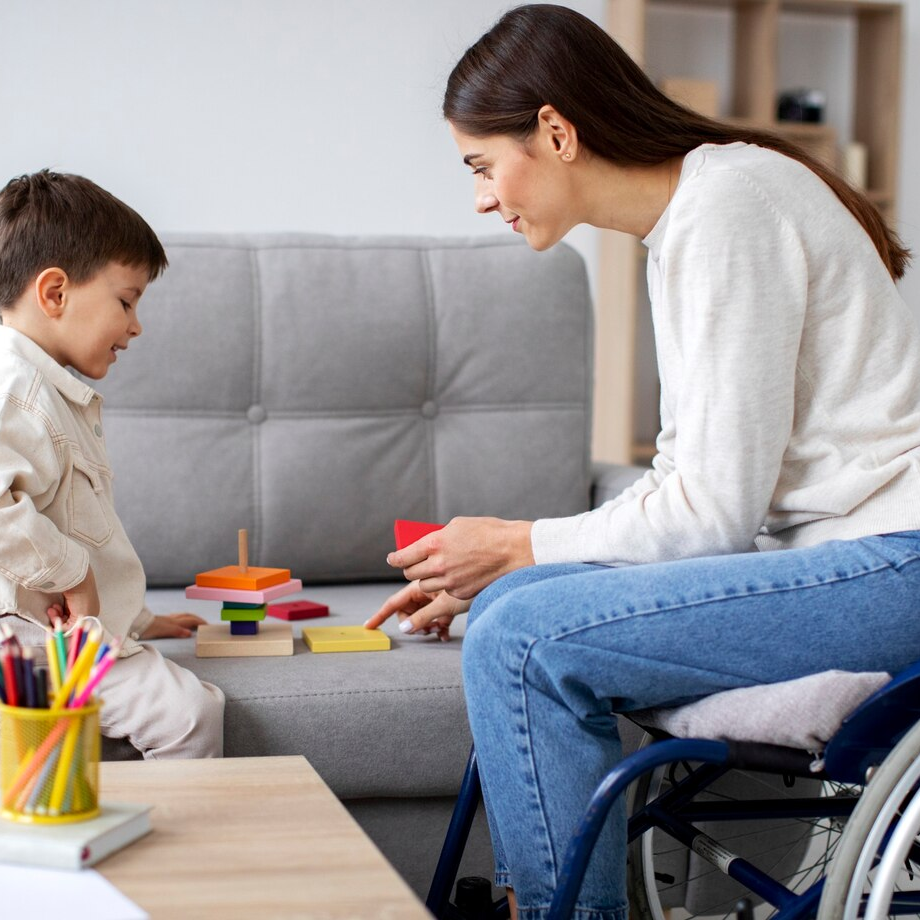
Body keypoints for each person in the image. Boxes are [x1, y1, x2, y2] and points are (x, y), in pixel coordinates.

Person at [365, 4, 920, 918]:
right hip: (837, 562)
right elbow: (686, 478)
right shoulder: (686, 222)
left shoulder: (728, 205)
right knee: (510, 609)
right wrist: (513, 567)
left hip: (891, 565)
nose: (480, 197)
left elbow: (711, 512)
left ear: (554, 130)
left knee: (521, 635)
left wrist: (519, 542)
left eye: (482, 166)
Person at [0, 169, 224, 759]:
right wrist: (72, 573)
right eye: (125, 300)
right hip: (27, 639)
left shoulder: (50, 392)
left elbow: (74, 524)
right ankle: (185, 850)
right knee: (189, 716)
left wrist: (139, 618)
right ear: (54, 293)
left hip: (49, 626)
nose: (135, 324)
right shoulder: (13, 385)